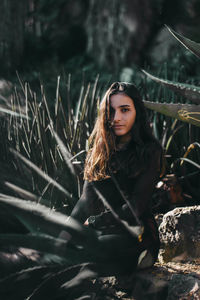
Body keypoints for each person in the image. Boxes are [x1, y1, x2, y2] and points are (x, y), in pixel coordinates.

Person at [71, 81, 162, 275]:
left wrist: (96, 221)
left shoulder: (150, 151)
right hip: (107, 231)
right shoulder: (99, 151)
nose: (117, 118)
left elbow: (135, 206)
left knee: (90, 249)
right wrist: (62, 236)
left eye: (125, 110)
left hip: (139, 237)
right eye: (111, 111)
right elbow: (85, 202)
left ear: (137, 112)